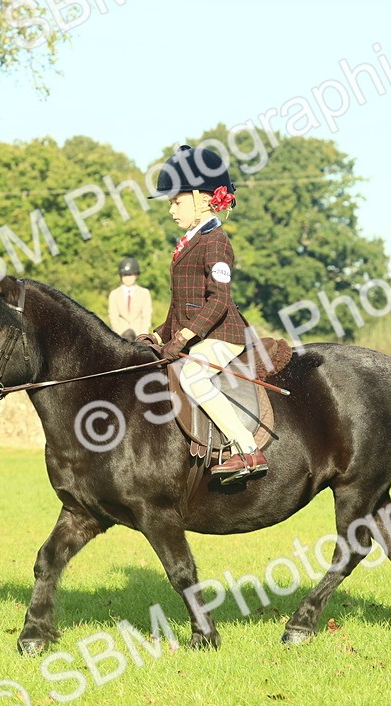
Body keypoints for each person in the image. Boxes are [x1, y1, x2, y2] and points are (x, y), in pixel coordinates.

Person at [148, 144, 265, 484]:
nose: (171, 209)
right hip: (200, 333)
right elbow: (181, 305)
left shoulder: (216, 242)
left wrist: (183, 337)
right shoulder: (188, 241)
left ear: (202, 199)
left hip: (222, 336)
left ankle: (246, 450)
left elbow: (218, 301)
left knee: (193, 378)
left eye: (177, 201)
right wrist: (159, 334)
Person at [107, 257, 153, 340]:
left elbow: (146, 316)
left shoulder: (144, 293)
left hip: (139, 336)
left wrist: (142, 336)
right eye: (125, 275)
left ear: (136, 275)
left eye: (130, 275)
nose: (127, 278)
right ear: (121, 276)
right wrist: (121, 336)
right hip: (119, 336)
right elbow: (113, 317)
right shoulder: (114, 294)